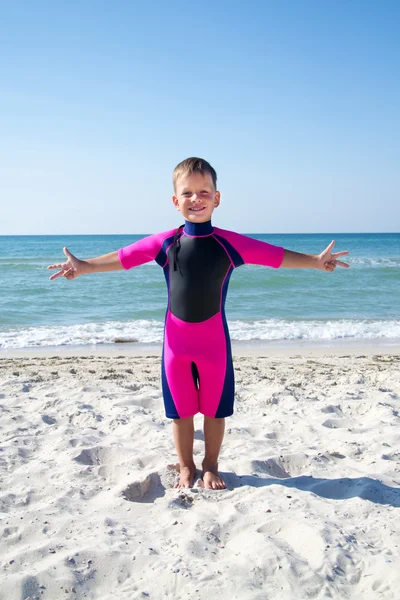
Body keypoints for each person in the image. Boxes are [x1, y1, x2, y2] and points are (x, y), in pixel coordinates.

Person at [48, 157, 350, 490]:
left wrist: (315, 262)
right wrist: (84, 266)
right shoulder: (165, 243)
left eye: (204, 191)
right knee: (180, 412)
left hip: (214, 345)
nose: (196, 199)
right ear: (175, 201)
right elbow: (123, 257)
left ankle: (210, 466)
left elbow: (275, 256)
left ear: (216, 198)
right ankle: (185, 466)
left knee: (214, 411)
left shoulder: (229, 243)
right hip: (176, 346)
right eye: (187, 193)